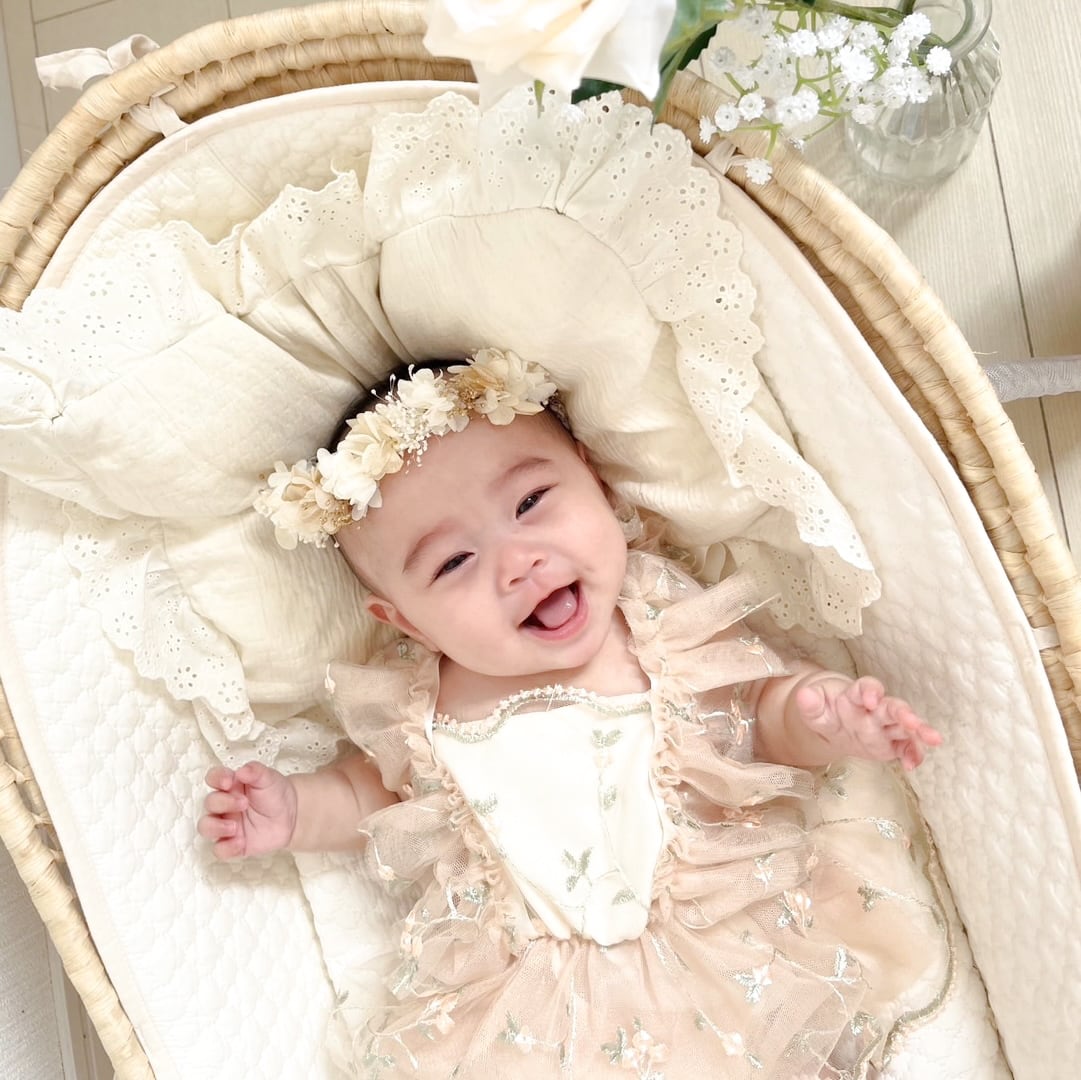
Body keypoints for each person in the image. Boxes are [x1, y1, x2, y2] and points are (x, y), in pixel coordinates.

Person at [199, 350, 947, 1079]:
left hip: (728, 956)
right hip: (539, 1023)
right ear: (405, 621)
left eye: (530, 504)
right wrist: (295, 811)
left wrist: (818, 716)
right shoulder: (416, 713)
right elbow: (374, 795)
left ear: (595, 480)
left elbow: (751, 716)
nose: (518, 562)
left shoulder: (662, 629)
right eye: (453, 562)